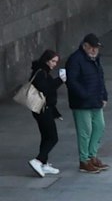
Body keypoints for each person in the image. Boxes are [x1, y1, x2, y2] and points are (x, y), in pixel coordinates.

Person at [64, 33, 106, 173]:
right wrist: (84, 95)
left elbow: (100, 77)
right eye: (92, 48)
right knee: (85, 131)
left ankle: (92, 156)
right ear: (85, 46)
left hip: (95, 100)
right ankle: (84, 160)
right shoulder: (75, 60)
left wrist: (104, 95)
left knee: (99, 126)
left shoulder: (95, 59)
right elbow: (72, 81)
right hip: (82, 102)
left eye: (96, 48)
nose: (94, 51)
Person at [25, 47, 63, 177]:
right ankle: (38, 160)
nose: (54, 64)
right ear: (46, 60)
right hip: (42, 109)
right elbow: (46, 90)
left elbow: (49, 87)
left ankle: (44, 163)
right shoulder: (41, 73)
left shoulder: (43, 71)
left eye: (56, 62)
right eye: (53, 61)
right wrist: (60, 80)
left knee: (46, 136)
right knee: (53, 137)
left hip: (44, 109)